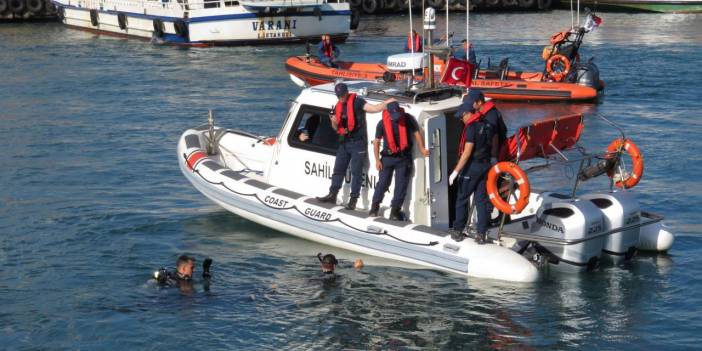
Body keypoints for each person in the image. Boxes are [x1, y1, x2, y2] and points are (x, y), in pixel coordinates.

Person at [316, 83, 395, 210]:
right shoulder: (338, 106)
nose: (340, 98)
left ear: (346, 92)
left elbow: (374, 108)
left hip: (358, 143)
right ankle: (332, 194)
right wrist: (333, 121)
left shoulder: (358, 102)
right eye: (338, 96)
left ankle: (353, 199)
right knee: (338, 169)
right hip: (344, 142)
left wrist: (387, 103)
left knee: (356, 172)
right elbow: (336, 128)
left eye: (342, 95)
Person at [448, 98, 498, 244]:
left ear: (468, 113)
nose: (461, 120)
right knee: (481, 200)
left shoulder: (471, 128)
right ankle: (481, 233)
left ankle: (458, 230)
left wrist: (456, 172)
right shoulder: (487, 124)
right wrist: (493, 158)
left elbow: (467, 152)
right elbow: (494, 139)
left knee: (462, 198)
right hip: (486, 166)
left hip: (473, 167)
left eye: (462, 116)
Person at [369, 102, 430, 220]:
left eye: (398, 115)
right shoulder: (382, 124)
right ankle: (374, 207)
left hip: (403, 158)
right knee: (383, 183)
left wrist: (422, 148)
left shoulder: (408, 119)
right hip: (387, 158)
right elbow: (376, 142)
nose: (396, 118)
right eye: (394, 116)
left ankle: (395, 211)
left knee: (401, 185)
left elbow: (417, 133)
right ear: (389, 113)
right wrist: (377, 160)